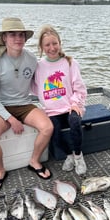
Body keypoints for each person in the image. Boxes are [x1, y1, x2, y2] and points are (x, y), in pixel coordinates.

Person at [0, 17, 53, 194]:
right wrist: (10, 119)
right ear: (4, 38)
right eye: (12, 34)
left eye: (21, 34)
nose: (18, 38)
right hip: (1, 107)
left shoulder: (31, 58)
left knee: (47, 127)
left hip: (24, 104)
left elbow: (48, 76)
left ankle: (34, 161)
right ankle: (0, 170)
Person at [31, 24, 87, 176]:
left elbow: (80, 87)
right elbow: (34, 87)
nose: (52, 48)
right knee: (53, 132)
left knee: (75, 123)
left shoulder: (70, 63)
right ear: (41, 47)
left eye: (54, 43)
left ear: (60, 43)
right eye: (47, 45)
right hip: (52, 110)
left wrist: (75, 103)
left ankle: (78, 156)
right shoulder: (38, 66)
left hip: (70, 106)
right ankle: (68, 154)